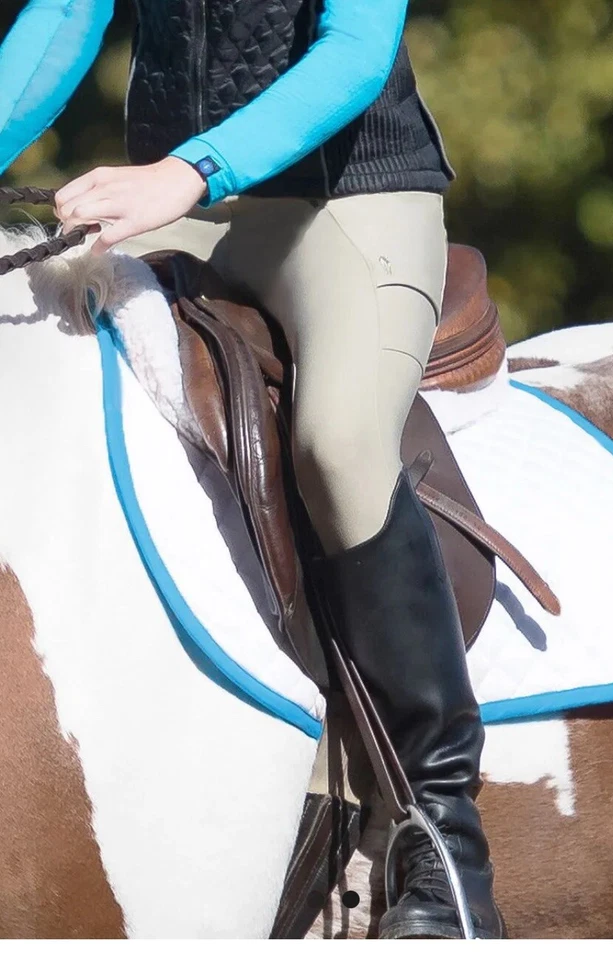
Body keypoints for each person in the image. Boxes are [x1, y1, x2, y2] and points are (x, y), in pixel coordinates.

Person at [0, 0, 502, 940]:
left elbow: (354, 51)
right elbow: (65, 18)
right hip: (173, 207)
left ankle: (440, 833)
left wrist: (191, 170)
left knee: (339, 444)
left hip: (345, 204)